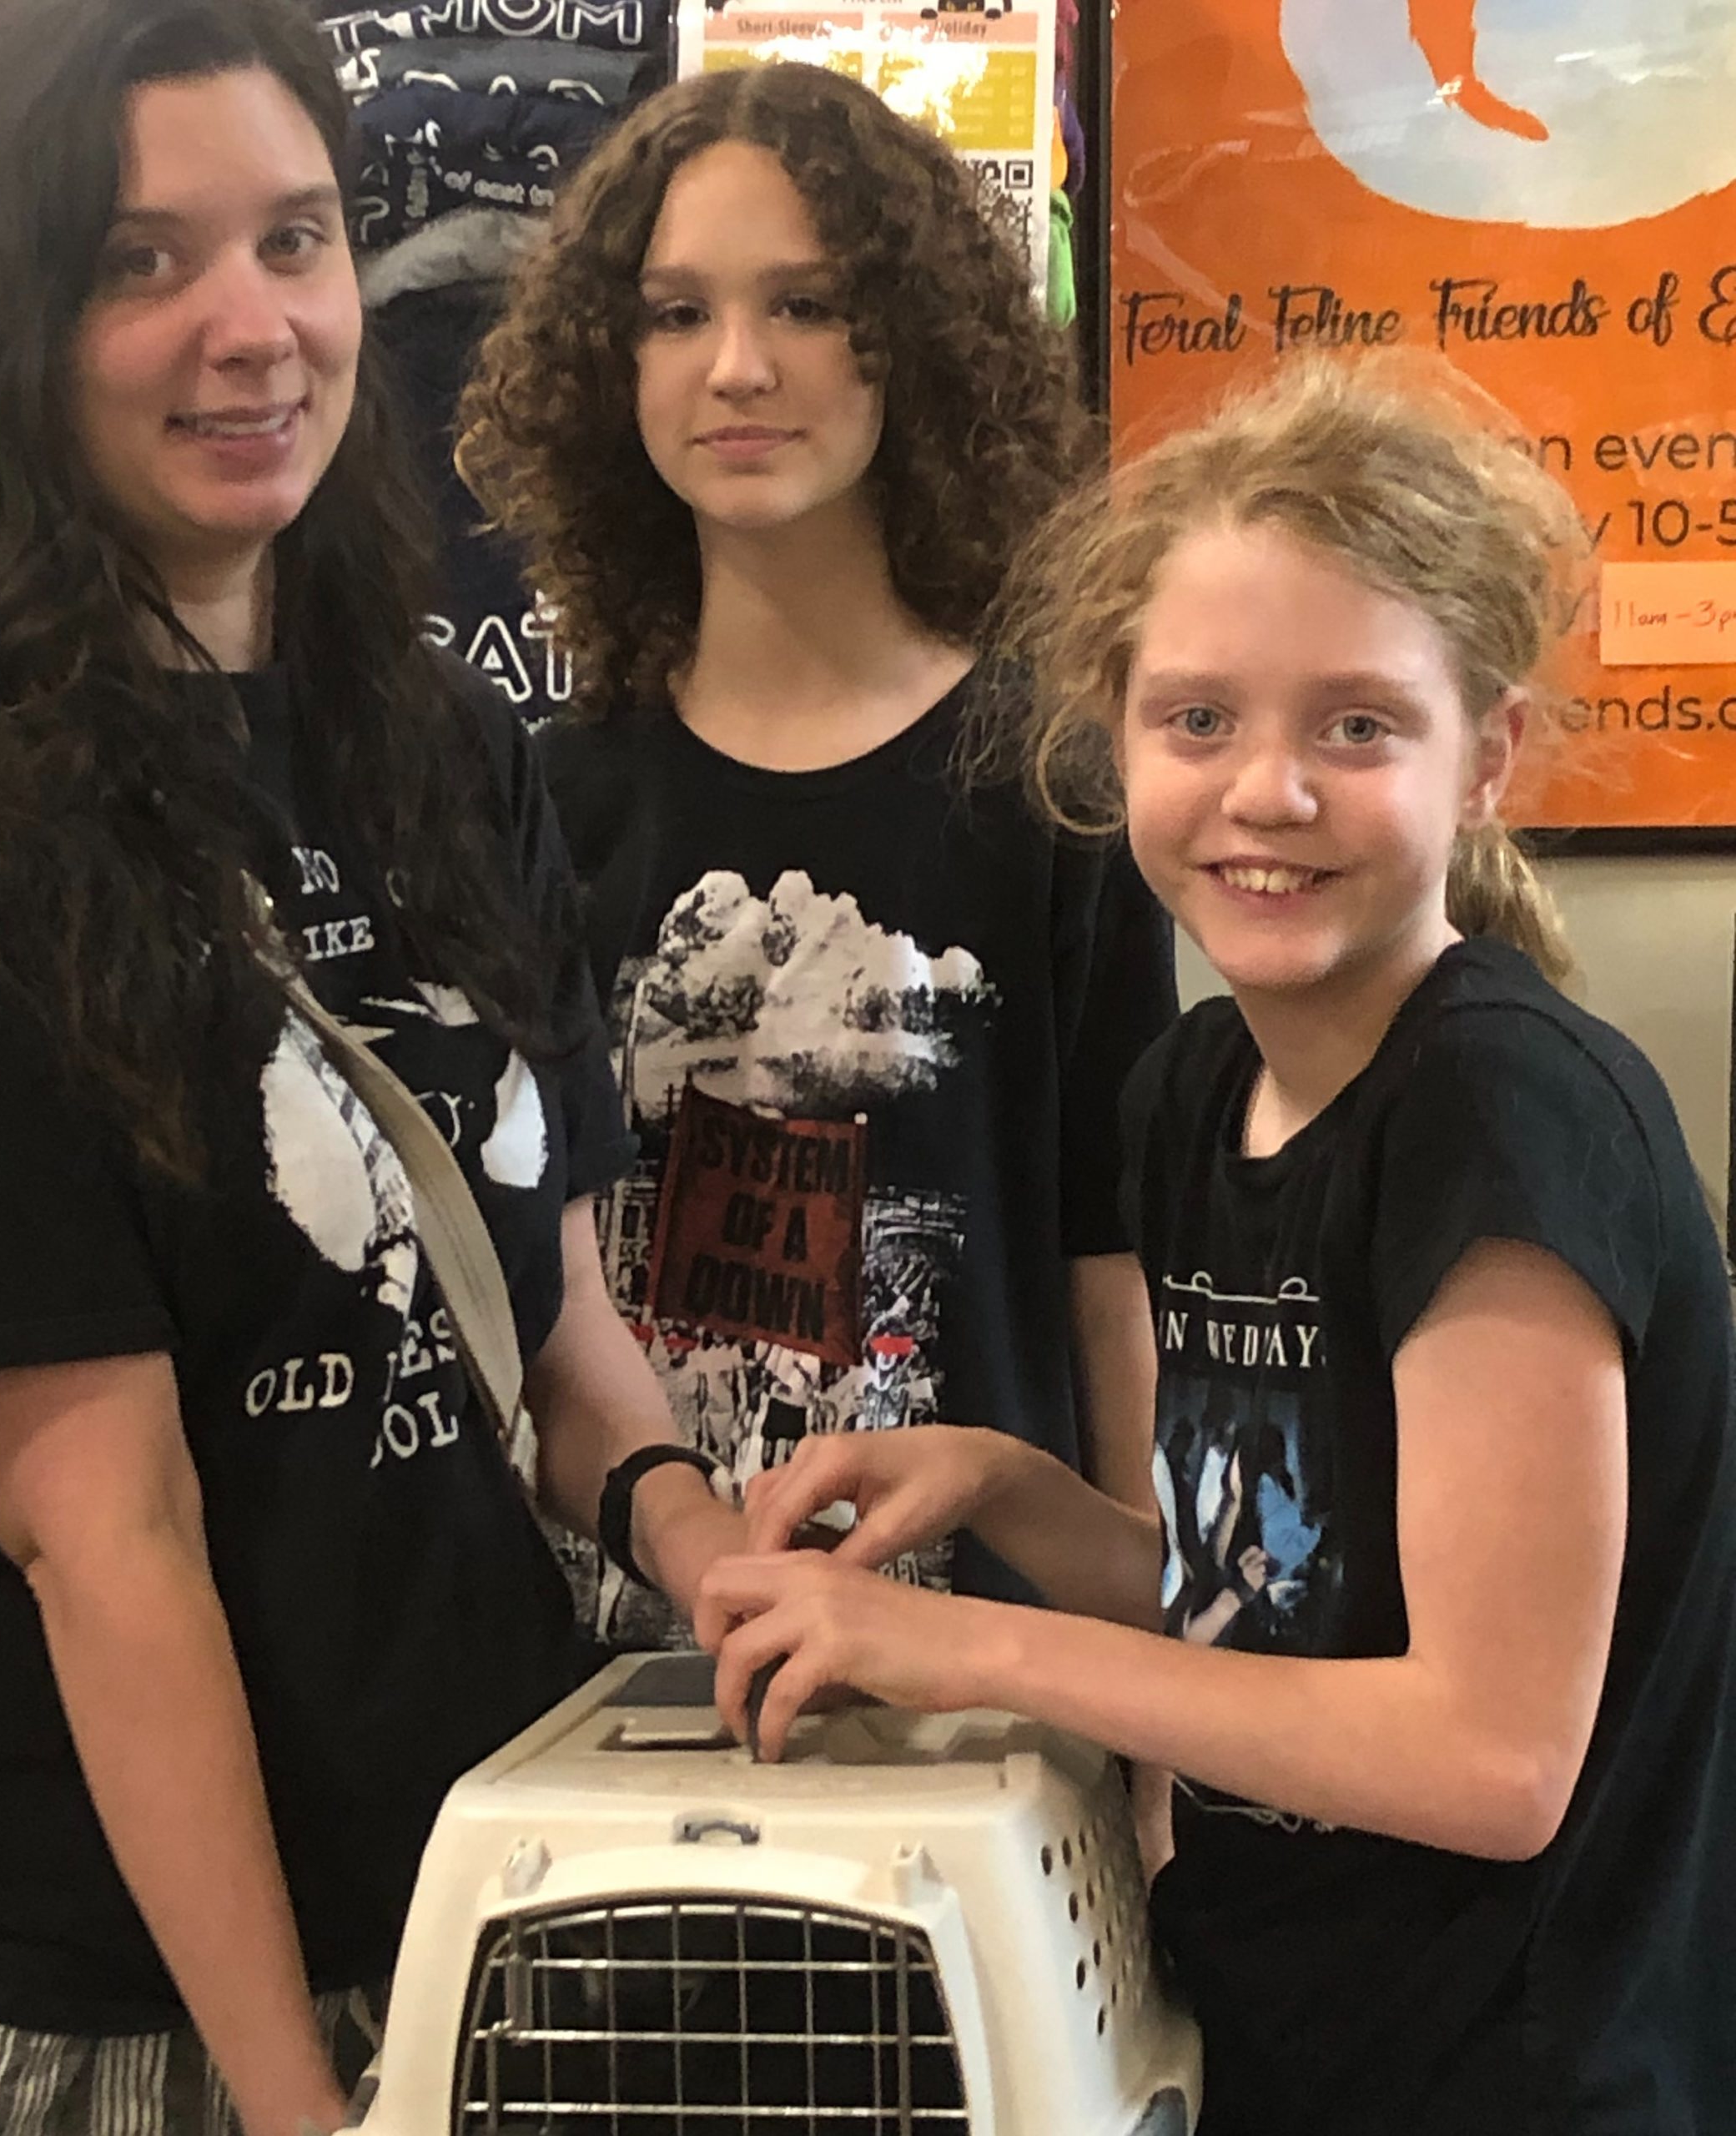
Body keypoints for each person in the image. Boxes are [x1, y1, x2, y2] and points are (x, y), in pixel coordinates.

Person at [0, 3, 742, 2131]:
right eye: (136, 261)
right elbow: (110, 1537)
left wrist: (708, 1552)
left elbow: (549, 1315)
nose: (252, 327)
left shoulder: (436, 741)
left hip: (452, 1879)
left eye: (293, 237)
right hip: (56, 1974)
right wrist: (287, 2090)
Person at [695, 359, 1736, 2132]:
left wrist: (979, 1649)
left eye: (1357, 727)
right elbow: (1270, 1608)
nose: (1268, 789)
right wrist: (1014, 1490)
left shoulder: (1499, 1113)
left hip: (1524, 2080)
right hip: (1284, 2032)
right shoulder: (1192, 1090)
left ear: (1484, 755)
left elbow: (1489, 1754)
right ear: (1113, 738)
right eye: (1196, 720)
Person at [457, 63, 1178, 1650]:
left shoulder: (1057, 788)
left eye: (804, 302)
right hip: (626, 1682)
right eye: (674, 313)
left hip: (991, 1670)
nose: (737, 366)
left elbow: (1109, 1275)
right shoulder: (546, 803)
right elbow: (536, 1296)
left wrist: (1148, 1691)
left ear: (909, 336)